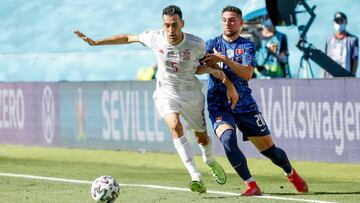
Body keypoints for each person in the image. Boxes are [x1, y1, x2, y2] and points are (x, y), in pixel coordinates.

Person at [74, 5, 239, 194]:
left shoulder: (197, 44)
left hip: (191, 94)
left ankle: (209, 160)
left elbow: (205, 67)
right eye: (167, 25)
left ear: (182, 24)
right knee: (175, 125)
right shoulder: (155, 37)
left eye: (174, 25)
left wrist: (228, 83)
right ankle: (195, 176)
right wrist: (96, 43)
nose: (170, 30)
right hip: (165, 92)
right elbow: (129, 37)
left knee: (202, 138)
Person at [201, 5, 308, 196]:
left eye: (232, 19)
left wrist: (225, 60)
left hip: (245, 106)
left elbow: (247, 74)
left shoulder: (247, 45)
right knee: (228, 139)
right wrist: (213, 71)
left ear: (241, 23)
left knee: (270, 152)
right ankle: (251, 184)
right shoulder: (211, 44)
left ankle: (290, 173)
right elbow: (198, 69)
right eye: (224, 19)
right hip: (219, 103)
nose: (228, 23)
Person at [324, 12, 358, 77]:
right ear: (334, 22)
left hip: (346, 76)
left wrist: (353, 75)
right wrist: (324, 76)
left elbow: (355, 59)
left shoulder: (353, 40)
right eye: (337, 21)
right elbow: (325, 60)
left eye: (341, 21)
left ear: (346, 22)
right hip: (331, 77)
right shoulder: (329, 40)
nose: (339, 23)